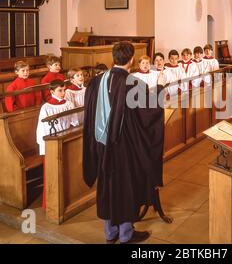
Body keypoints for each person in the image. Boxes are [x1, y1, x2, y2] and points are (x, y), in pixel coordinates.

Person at [82, 42, 166, 244]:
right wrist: (161, 87)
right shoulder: (133, 84)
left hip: (102, 147)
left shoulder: (96, 83)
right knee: (126, 188)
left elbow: (90, 115)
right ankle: (126, 234)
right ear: (131, 60)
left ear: (114, 58)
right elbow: (150, 114)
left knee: (109, 187)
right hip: (125, 149)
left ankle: (110, 233)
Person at [36, 80, 79, 209]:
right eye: (60, 91)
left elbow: (74, 121)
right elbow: (42, 129)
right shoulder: (47, 107)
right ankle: (51, 202)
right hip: (53, 142)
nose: (63, 93)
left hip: (66, 138)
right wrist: (47, 148)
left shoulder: (69, 104)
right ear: (52, 92)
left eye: (64, 90)